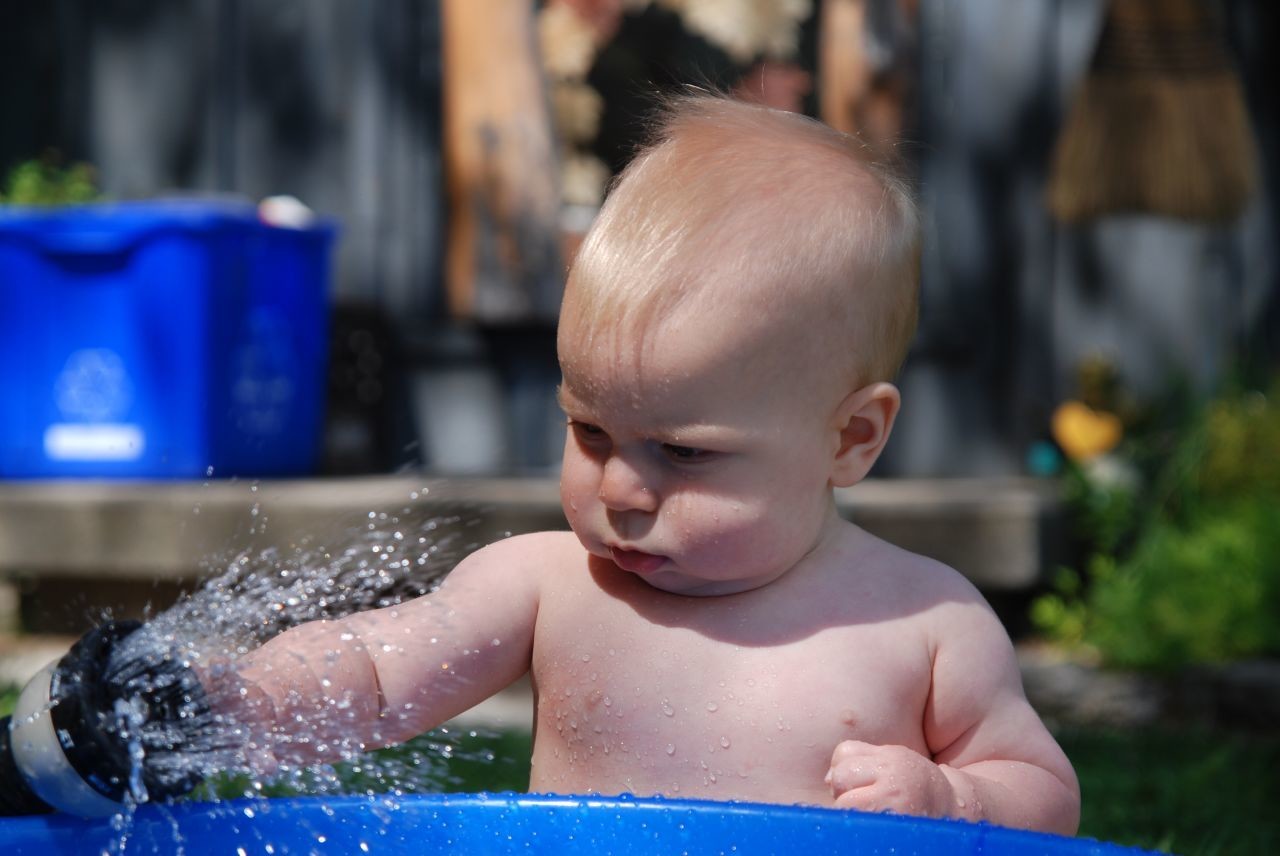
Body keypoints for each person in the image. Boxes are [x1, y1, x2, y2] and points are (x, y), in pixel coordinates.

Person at [213, 94, 1080, 835]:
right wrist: (238, 700)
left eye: (682, 451)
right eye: (590, 432)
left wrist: (954, 796)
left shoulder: (924, 622)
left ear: (850, 439)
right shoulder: (548, 586)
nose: (621, 490)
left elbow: (1044, 793)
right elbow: (373, 673)